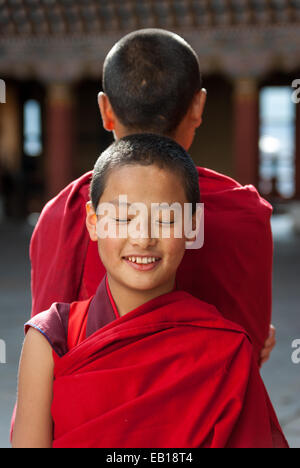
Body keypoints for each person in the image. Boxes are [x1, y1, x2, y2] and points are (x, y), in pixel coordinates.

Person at [12, 134, 288, 448]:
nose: (143, 238)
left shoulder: (225, 348)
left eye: (166, 219)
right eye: (123, 218)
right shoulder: (52, 338)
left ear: (192, 227)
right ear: (93, 221)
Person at [30, 28, 275, 365]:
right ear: (198, 105)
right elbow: (249, 347)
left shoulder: (62, 212)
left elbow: (45, 346)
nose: (143, 238)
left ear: (106, 110)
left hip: (86, 409)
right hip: (211, 407)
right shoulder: (244, 212)